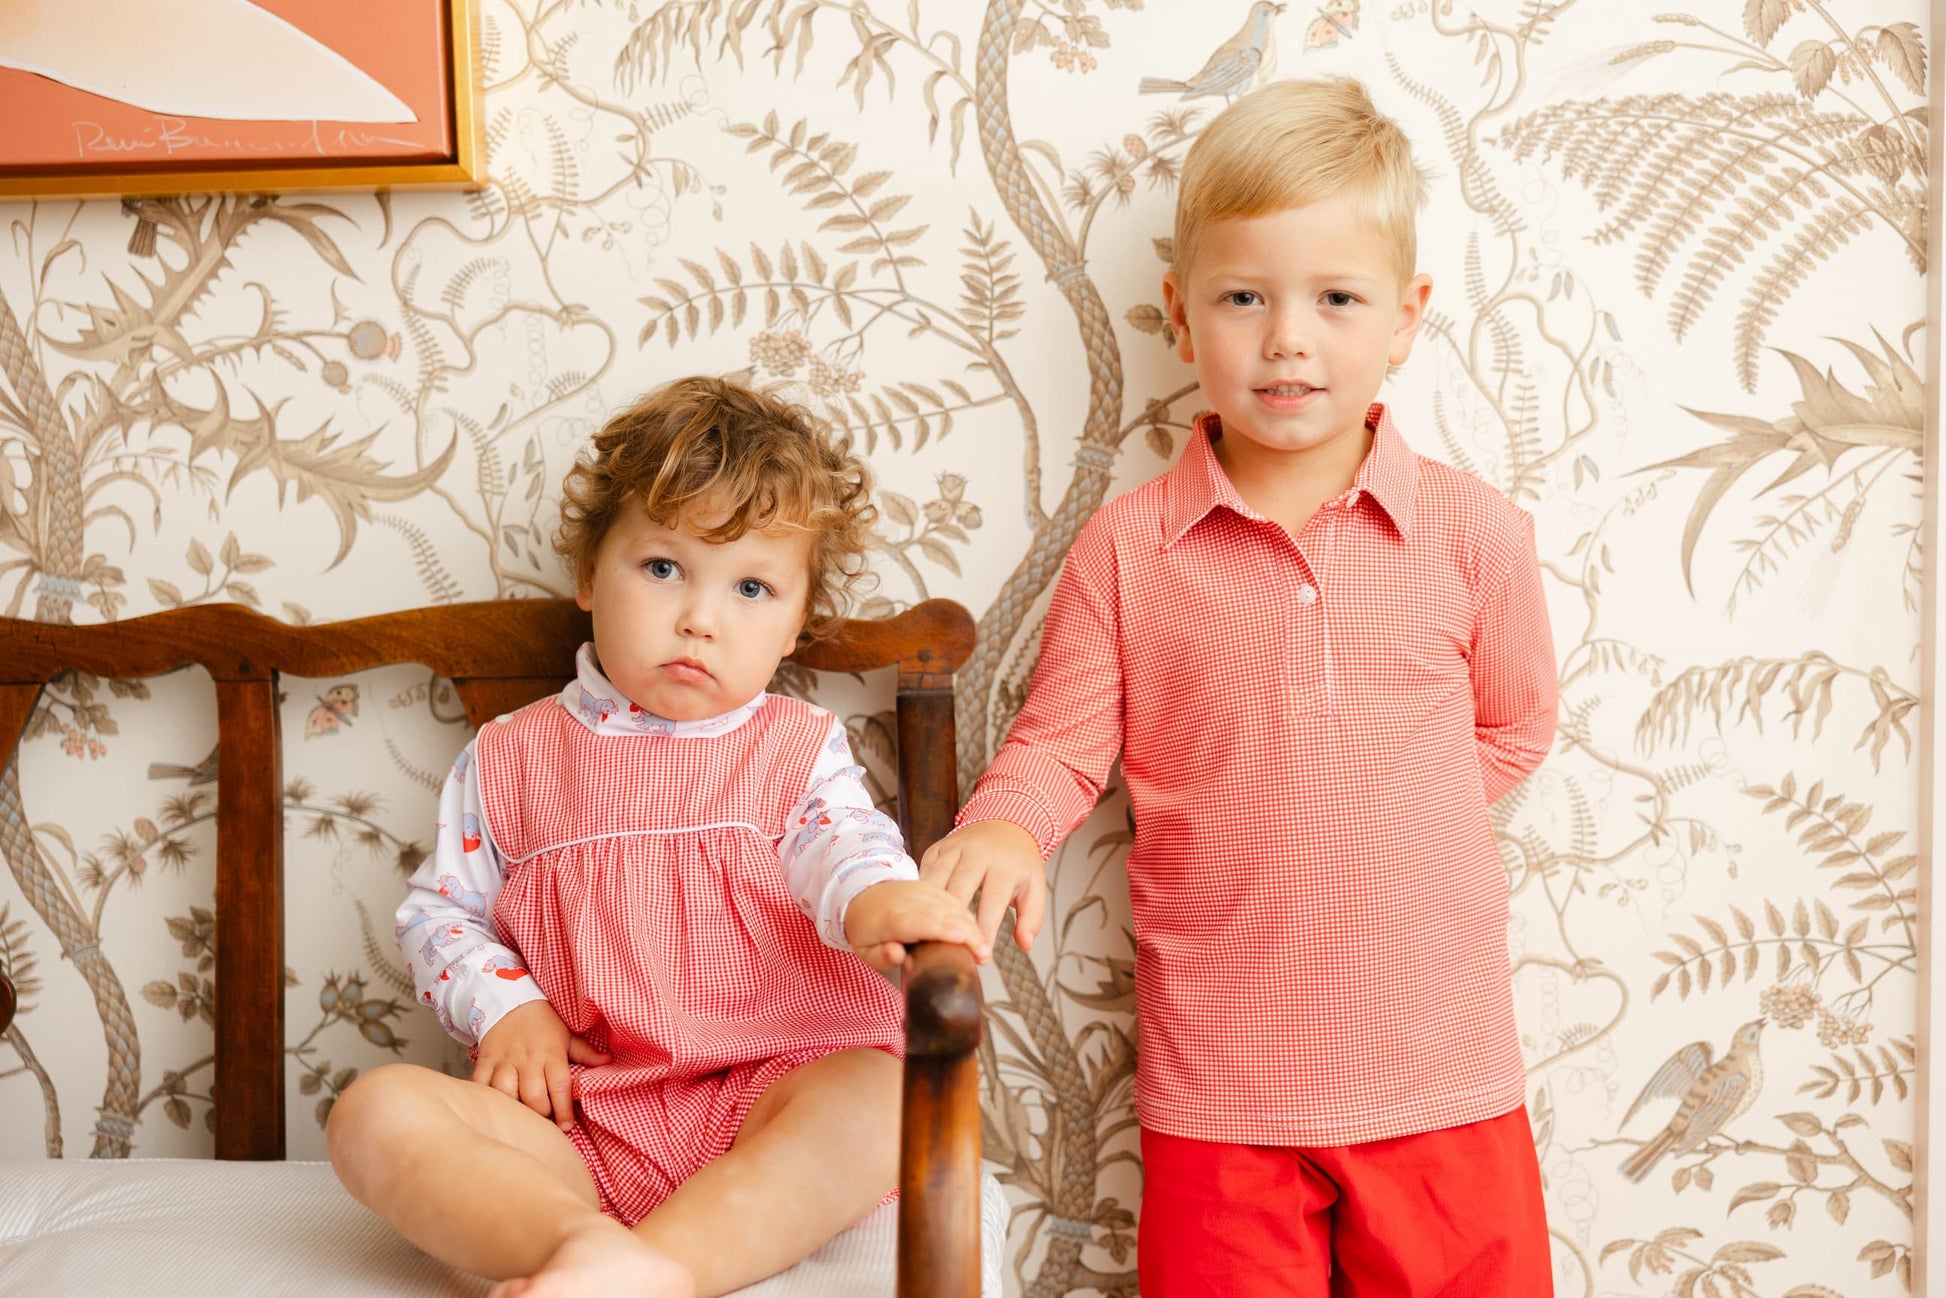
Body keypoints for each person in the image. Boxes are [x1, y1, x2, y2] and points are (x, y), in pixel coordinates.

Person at [921, 77, 1559, 1294]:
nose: (1286, 338)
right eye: (1243, 297)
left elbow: (1516, 721)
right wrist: (1003, 821)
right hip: (1223, 1084)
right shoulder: (1127, 548)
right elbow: (1060, 742)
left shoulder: (1473, 534)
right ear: (1179, 313)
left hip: (1439, 1069)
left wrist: (1384, 809)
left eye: (1334, 298)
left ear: (1405, 316)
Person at [327, 376, 987, 1298]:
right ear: (590, 573)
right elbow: (441, 915)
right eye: (663, 567)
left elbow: (839, 845)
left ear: (796, 625)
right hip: (585, 1121)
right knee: (373, 1110)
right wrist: (508, 1007)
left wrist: (879, 899)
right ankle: (582, 1245)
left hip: (774, 1093)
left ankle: (647, 1275)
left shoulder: (792, 750)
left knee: (884, 1101)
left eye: (751, 587)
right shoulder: (510, 758)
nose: (699, 618)